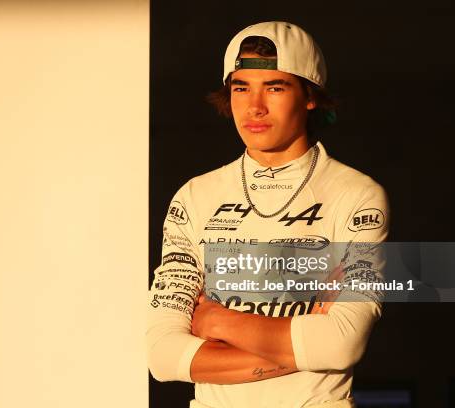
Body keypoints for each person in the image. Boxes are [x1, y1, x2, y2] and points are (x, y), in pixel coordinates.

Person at [146, 21, 389, 407]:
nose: (254, 107)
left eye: (275, 87)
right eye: (241, 88)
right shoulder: (194, 197)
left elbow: (342, 343)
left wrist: (218, 322)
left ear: (309, 96)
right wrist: (302, 346)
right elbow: (162, 356)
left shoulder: (357, 195)